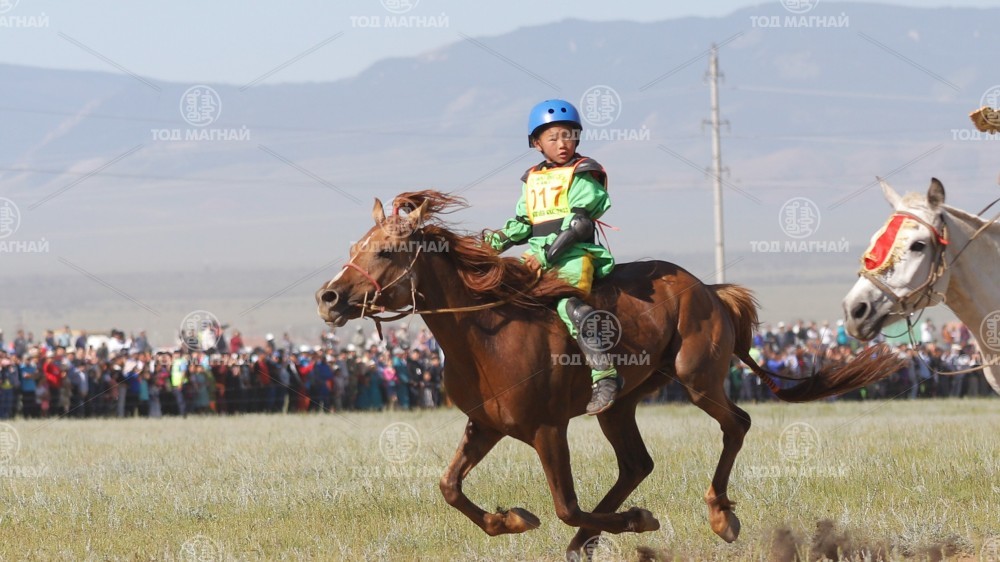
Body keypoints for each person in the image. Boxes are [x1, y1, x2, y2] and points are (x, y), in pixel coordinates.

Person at [485, 99, 618, 415]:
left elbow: (579, 224)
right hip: (537, 255)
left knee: (570, 307)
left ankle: (605, 377)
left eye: (569, 135)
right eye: (553, 137)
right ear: (536, 143)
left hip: (574, 255)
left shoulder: (583, 171)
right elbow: (521, 224)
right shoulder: (532, 177)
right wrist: (488, 246)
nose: (563, 143)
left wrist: (543, 257)